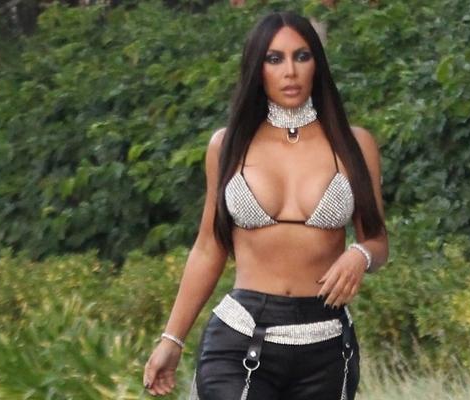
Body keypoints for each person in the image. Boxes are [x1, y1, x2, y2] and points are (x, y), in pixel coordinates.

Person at [142, 11, 388, 400]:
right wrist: (172, 339)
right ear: (257, 68)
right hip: (239, 337)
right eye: (275, 59)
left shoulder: (355, 144)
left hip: (326, 345)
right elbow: (208, 247)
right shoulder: (227, 145)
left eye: (301, 56)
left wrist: (360, 255)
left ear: (317, 65)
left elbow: (377, 241)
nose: (290, 71)